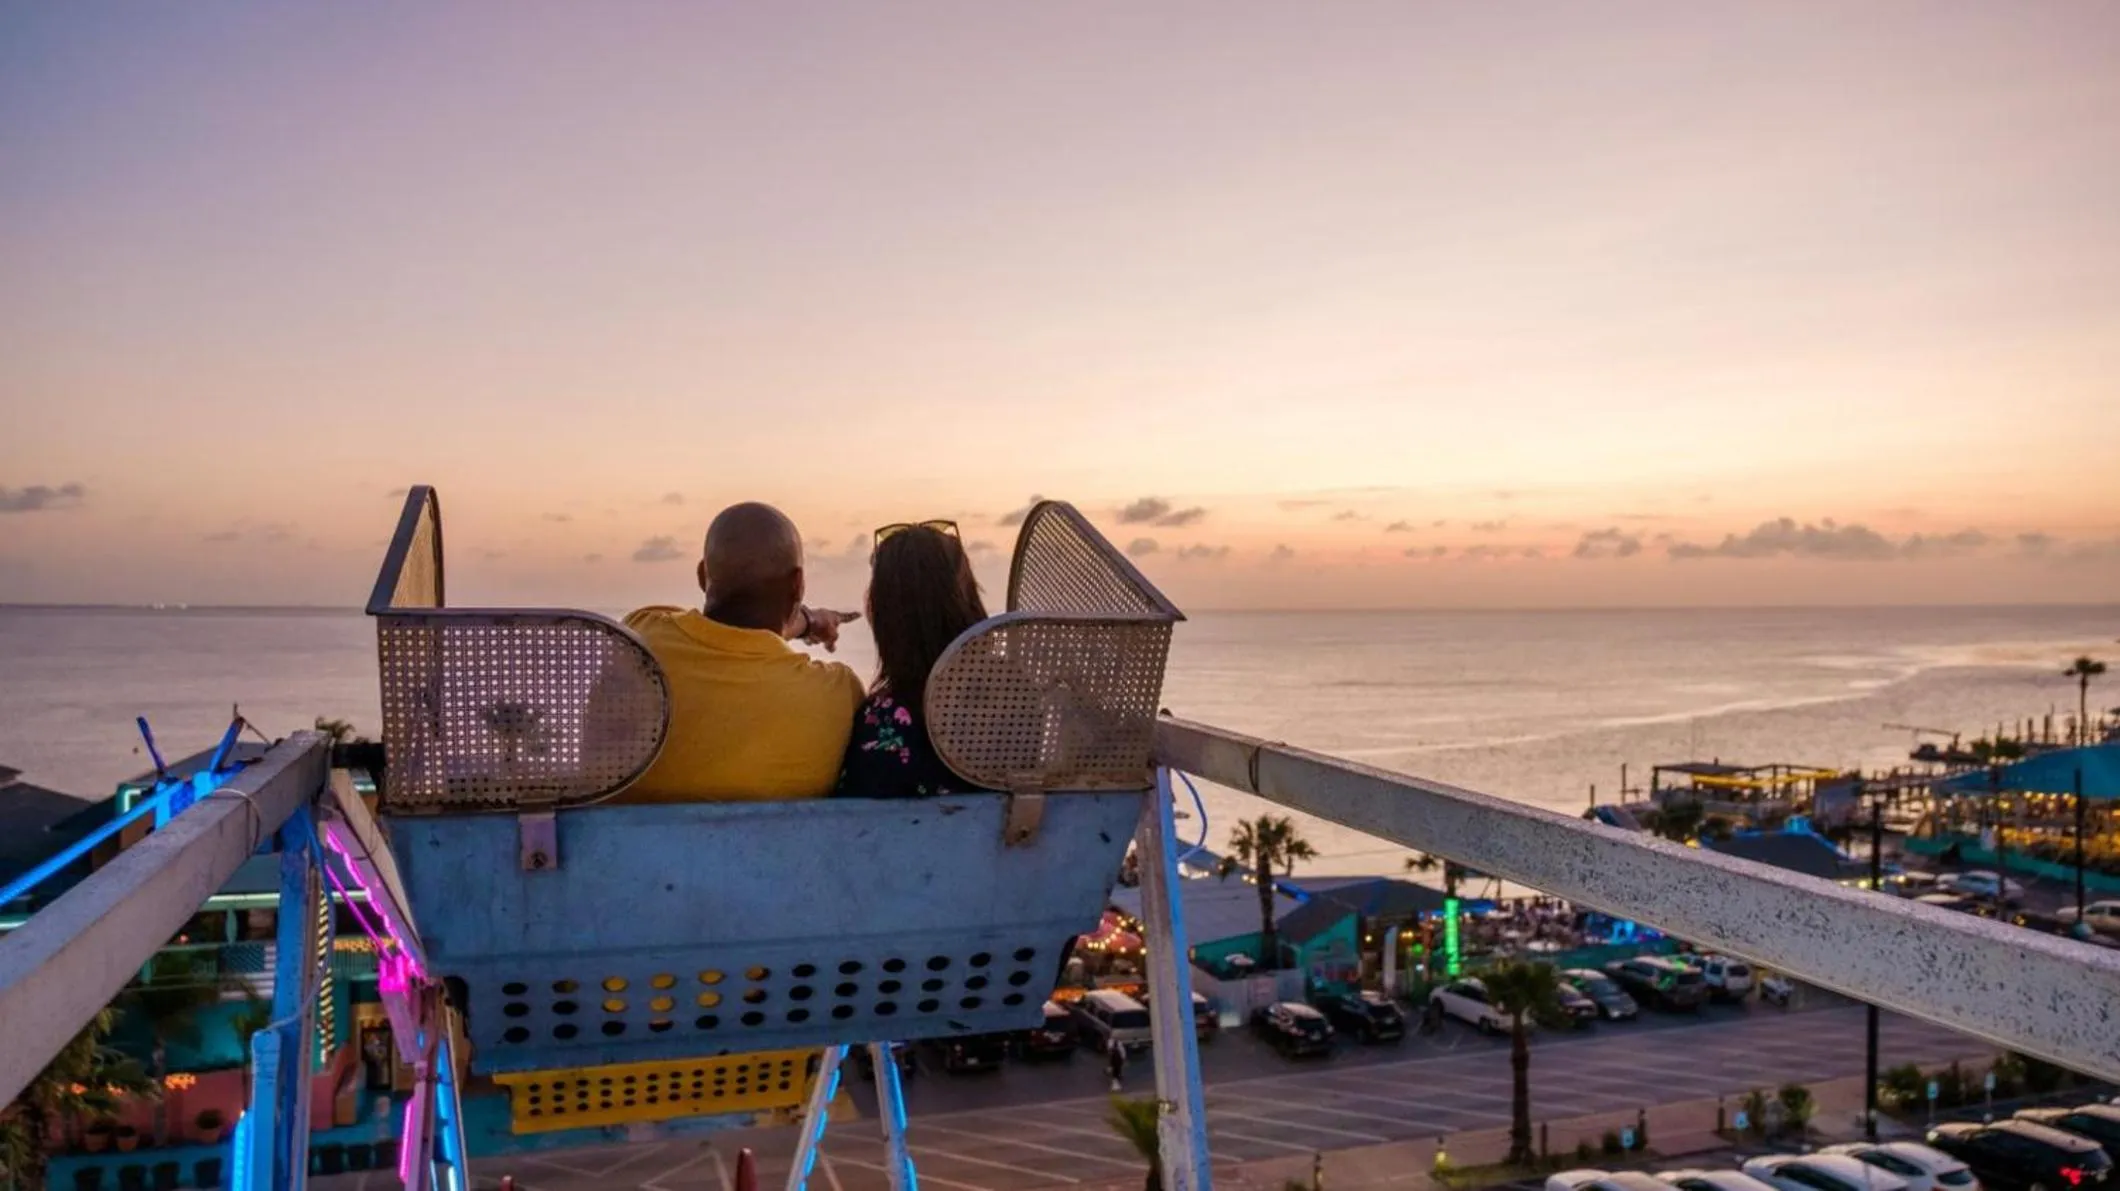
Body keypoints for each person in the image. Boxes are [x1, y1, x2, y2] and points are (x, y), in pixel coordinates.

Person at [606, 502, 864, 802]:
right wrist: (806, 619)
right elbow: (756, 636)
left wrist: (806, 622)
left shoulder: (640, 637)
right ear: (797, 584)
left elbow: (720, 629)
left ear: (703, 575)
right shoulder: (838, 693)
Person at [832, 520, 991, 799]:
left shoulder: (882, 720)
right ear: (970, 601)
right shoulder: (1019, 702)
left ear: (888, 617)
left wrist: (802, 624)